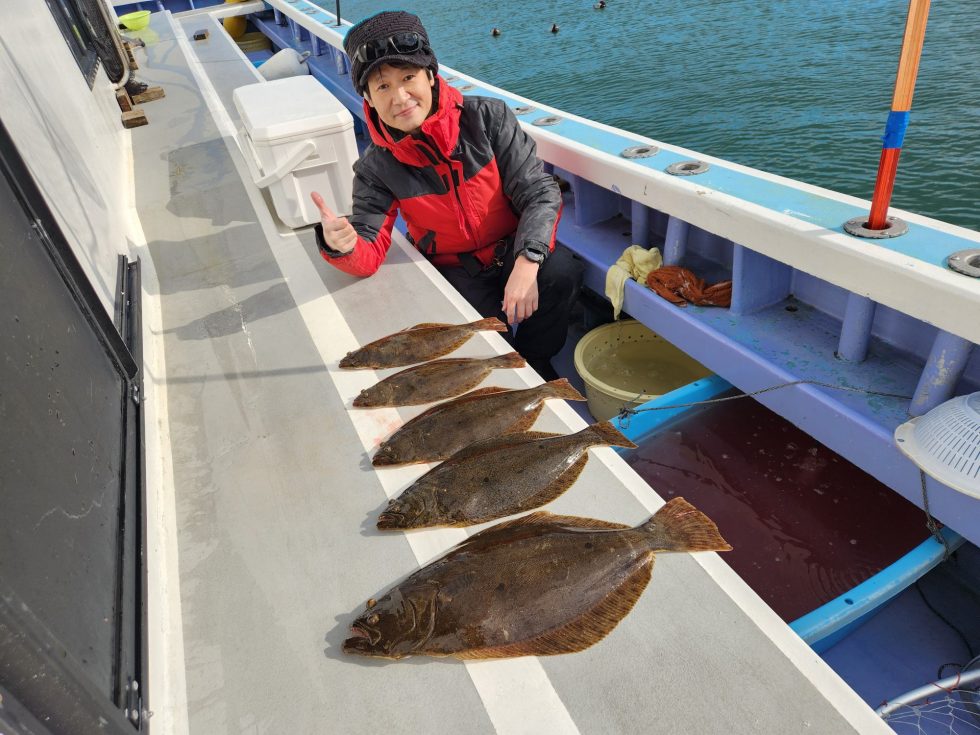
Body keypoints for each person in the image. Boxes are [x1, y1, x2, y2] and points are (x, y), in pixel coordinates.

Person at [311, 10, 582, 380]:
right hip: (455, 270)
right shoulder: (376, 167)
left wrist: (528, 259)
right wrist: (342, 246)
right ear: (369, 99)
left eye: (408, 77)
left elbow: (539, 191)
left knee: (561, 272)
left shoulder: (488, 119)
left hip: (513, 249)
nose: (400, 97)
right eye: (383, 87)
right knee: (477, 348)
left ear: (430, 75)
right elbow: (368, 250)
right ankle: (507, 368)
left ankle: (536, 360)